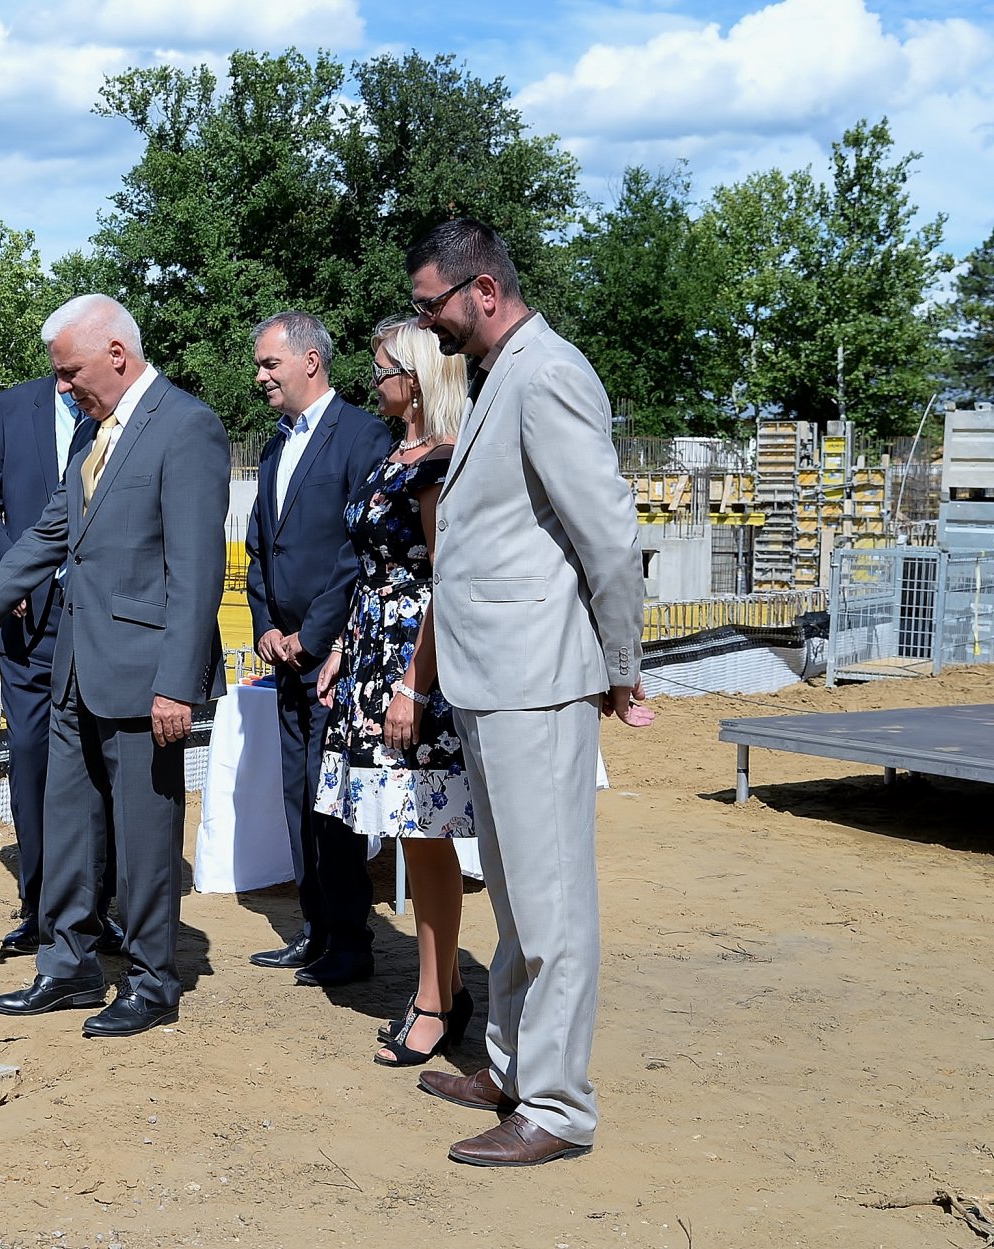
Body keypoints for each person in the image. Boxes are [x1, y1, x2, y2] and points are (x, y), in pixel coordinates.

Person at [403, 219, 646, 1167]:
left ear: (485, 290)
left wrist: (621, 667)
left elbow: (611, 537)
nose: (430, 325)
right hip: (496, 677)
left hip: (539, 679)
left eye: (435, 306)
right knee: (514, 894)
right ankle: (509, 1066)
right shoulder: (505, 371)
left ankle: (557, 1106)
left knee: (552, 909)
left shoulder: (546, 371)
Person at [0, 294, 228, 1039]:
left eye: (70, 372)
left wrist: (179, 682)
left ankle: (152, 978)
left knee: (143, 836)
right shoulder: (93, 438)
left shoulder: (187, 427)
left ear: (117, 357)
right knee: (67, 825)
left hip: (144, 676)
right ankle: (67, 966)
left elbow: (197, 572)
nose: (63, 387)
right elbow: (47, 533)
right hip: (72, 666)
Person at [311, 316, 474, 1066]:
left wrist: (414, 680)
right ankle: (439, 991)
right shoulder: (392, 455)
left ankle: (437, 1000)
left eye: (380, 369)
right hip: (374, 653)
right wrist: (346, 646)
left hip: (416, 660)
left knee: (424, 839)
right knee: (407, 832)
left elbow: (446, 580)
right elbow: (372, 567)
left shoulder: (438, 464)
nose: (372, 381)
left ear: (414, 378)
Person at [242, 311, 392, 987]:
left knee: (333, 801)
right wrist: (268, 625)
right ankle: (314, 927)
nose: (260, 376)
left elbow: (356, 552)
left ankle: (350, 940)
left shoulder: (362, 435)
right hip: (284, 656)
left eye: (270, 363)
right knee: (297, 793)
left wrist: (315, 634)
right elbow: (258, 548)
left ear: (310, 360)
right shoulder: (276, 444)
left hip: (334, 657)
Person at [0, 375, 122, 954]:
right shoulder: (11, 407)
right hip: (29, 622)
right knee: (31, 757)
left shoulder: (116, 404)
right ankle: (39, 906)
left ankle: (100, 907)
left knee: (99, 758)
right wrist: (12, 575)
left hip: (100, 616)